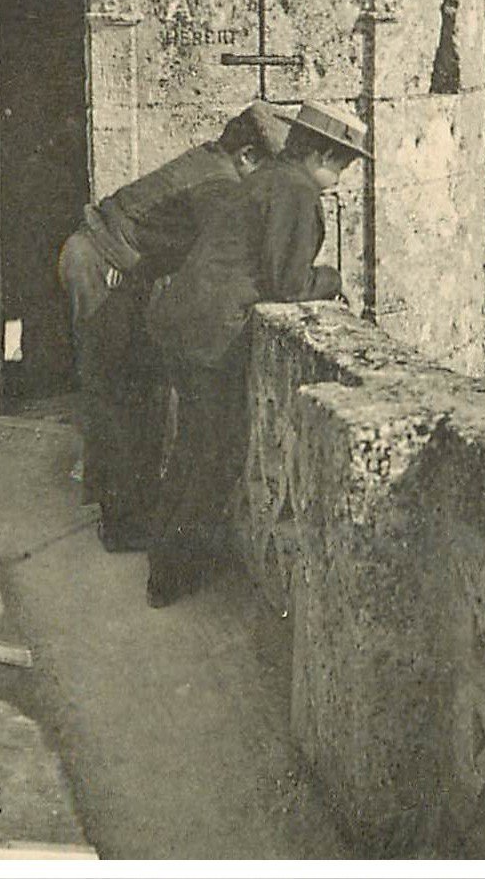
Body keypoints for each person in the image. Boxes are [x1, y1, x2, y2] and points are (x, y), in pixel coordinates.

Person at [142, 100, 369, 608]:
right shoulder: (296, 191)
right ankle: (174, 574)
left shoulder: (269, 178)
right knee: (215, 454)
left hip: (184, 320)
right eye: (345, 161)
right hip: (212, 333)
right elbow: (289, 285)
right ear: (325, 155)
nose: (346, 173)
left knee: (192, 449)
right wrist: (331, 282)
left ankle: (167, 558)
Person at [56, 102, 290, 550]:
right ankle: (122, 523)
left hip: (95, 258)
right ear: (247, 156)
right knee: (119, 391)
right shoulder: (219, 182)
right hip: (99, 267)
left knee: (123, 386)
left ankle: (119, 507)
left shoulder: (208, 161)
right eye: (264, 170)